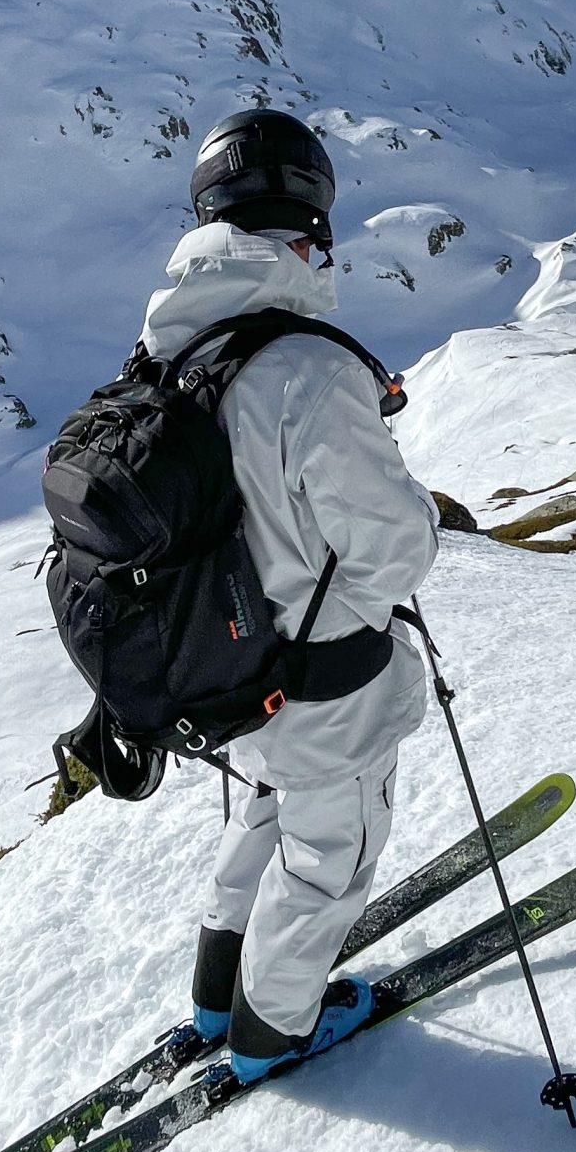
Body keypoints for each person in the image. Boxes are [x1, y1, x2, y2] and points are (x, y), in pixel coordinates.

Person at [135, 108, 439, 1082]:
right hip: (324, 692)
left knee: (261, 817)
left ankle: (215, 999)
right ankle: (272, 1031)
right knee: (328, 858)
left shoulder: (171, 362)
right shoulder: (308, 367)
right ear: (313, 220)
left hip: (224, 677)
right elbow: (393, 547)